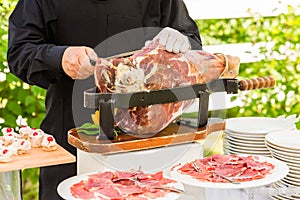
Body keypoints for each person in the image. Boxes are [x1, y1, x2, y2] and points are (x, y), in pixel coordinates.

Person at [7, 0, 202, 199]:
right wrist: (60, 58)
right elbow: (19, 52)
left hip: (150, 140)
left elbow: (192, 42)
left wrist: (183, 42)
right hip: (70, 137)